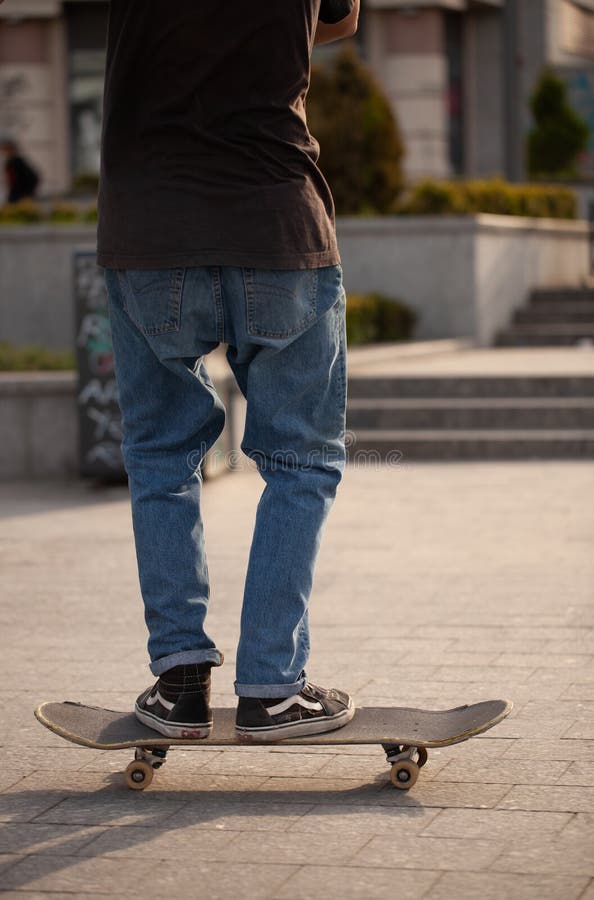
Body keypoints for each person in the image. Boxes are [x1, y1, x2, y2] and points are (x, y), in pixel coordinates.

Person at [98, 0, 360, 742]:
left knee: (160, 456)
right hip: (275, 222)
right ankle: (273, 688)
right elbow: (340, 22)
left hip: (150, 226)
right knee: (301, 461)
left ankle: (180, 682)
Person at [1, 139, 40, 203]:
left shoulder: (17, 162)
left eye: (5, 149)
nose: (3, 152)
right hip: (16, 193)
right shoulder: (11, 162)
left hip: (19, 195)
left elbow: (33, 178)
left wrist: (26, 193)